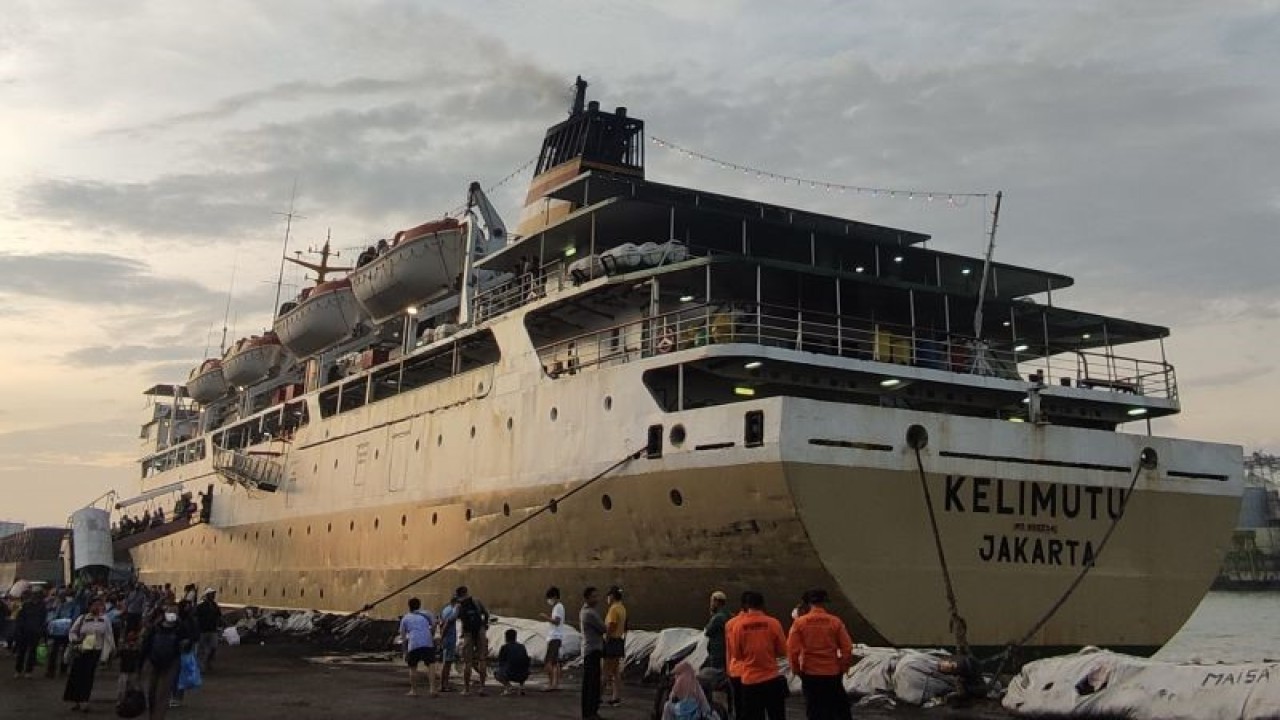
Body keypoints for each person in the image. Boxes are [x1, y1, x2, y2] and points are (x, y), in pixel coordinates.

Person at [786, 589, 853, 720]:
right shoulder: (835, 621)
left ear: (809, 604)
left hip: (810, 674)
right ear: (824, 602)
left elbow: (792, 650)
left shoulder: (800, 623)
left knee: (815, 710)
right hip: (832, 673)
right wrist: (843, 668)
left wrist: (796, 670)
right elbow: (847, 648)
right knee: (838, 710)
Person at [725, 590, 787, 720]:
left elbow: (737, 654)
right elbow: (782, 650)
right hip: (771, 677)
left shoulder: (738, 626)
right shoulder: (773, 623)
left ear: (747, 606)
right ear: (763, 605)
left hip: (750, 680)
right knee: (776, 715)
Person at [141, 603, 195, 719]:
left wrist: (186, 644)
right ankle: (153, 714)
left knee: (163, 692)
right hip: (154, 661)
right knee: (151, 691)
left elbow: (189, 641)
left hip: (171, 662)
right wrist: (141, 663)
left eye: (174, 611)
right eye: (170, 610)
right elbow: (146, 644)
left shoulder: (181, 627)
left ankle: (158, 717)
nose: (172, 613)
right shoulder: (156, 627)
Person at [65, 596, 117, 712]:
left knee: (88, 677)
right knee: (77, 676)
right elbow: (72, 632)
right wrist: (75, 640)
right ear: (89, 606)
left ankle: (85, 700)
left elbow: (109, 636)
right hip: (82, 649)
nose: (97, 607)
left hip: (95, 651)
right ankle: (76, 700)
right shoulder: (82, 618)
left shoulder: (105, 620)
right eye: (95, 605)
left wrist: (109, 652)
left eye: (99, 605)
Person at [454, 585, 490, 695]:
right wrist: (485, 624)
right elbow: (486, 613)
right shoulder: (477, 600)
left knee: (467, 662)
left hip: (468, 633)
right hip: (480, 630)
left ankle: (466, 689)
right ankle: (482, 688)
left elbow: (455, 617)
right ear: (466, 592)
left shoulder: (459, 606)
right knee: (482, 659)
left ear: (458, 595)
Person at [399, 597, 438, 697]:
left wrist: (405, 652)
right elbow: (434, 624)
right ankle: (432, 689)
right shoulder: (427, 614)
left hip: (414, 643)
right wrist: (431, 635)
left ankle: (414, 691)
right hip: (427, 642)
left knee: (413, 668)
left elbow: (403, 637)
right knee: (431, 666)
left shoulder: (405, 618)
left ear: (409, 607)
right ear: (419, 605)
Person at [579, 586, 607, 720]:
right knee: (592, 683)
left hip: (591, 650)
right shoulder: (589, 613)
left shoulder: (588, 612)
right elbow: (603, 628)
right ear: (587, 598)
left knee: (590, 682)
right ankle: (590, 713)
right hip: (592, 650)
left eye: (597, 596)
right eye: (593, 596)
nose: (596, 599)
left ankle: (589, 712)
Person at [603, 586, 628, 707]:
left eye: (608, 596)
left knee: (606, 670)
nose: (607, 598)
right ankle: (616, 696)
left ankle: (597, 696)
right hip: (619, 641)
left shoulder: (613, 609)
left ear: (612, 596)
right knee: (615, 671)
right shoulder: (622, 608)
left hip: (612, 641)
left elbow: (612, 625)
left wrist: (606, 638)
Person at [12, 591, 46, 678]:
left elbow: (43, 620)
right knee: (21, 652)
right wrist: (20, 628)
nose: (35, 597)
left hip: (35, 632)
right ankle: (18, 670)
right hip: (24, 632)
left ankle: (28, 671)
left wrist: (41, 631)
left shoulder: (42, 606)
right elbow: (20, 617)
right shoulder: (26, 605)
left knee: (32, 652)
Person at [539, 586, 566, 691]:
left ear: (554, 596)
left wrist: (545, 617)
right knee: (554, 663)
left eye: (549, 598)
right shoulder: (558, 607)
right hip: (556, 637)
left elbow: (557, 621)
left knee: (548, 662)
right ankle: (555, 684)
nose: (549, 601)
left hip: (555, 637)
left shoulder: (558, 607)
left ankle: (551, 684)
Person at [495, 628, 531, 695]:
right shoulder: (522, 646)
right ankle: (521, 686)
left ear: (506, 637)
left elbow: (500, 662)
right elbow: (526, 660)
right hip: (524, 674)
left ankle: (508, 687)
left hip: (511, 674)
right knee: (521, 665)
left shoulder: (505, 647)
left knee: (497, 672)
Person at [703, 590, 730, 672]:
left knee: (716, 675)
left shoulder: (718, 617)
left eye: (711, 601)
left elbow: (707, 632)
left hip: (717, 652)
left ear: (716, 601)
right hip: (728, 651)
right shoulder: (729, 615)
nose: (711, 604)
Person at [195, 588, 222, 672]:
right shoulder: (200, 606)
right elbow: (196, 617)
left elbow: (219, 616)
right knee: (201, 649)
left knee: (213, 647)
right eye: (211, 594)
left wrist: (220, 625)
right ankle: (200, 665)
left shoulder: (214, 605)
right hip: (203, 630)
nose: (213, 595)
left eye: (213, 594)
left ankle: (208, 662)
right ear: (207, 595)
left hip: (212, 629)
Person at [437, 596, 460, 692]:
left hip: (447, 638)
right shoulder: (453, 611)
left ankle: (444, 684)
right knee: (447, 663)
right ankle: (443, 685)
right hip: (449, 639)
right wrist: (442, 637)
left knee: (446, 662)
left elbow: (441, 622)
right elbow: (447, 623)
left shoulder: (446, 609)